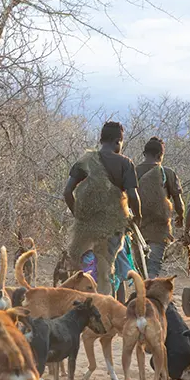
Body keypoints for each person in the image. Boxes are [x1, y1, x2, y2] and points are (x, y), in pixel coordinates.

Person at [63, 121, 142, 296]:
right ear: (118, 141)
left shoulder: (85, 161)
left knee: (86, 271)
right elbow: (133, 196)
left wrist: (79, 216)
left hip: (85, 230)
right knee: (106, 272)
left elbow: (67, 191)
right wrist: (137, 217)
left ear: (101, 139)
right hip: (113, 229)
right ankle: (107, 310)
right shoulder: (125, 163)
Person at [136, 136, 185, 278]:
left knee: (141, 269)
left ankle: (143, 296)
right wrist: (180, 216)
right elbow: (178, 202)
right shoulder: (167, 173)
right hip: (160, 229)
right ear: (160, 155)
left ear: (144, 154)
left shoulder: (133, 171)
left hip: (137, 229)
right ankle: (150, 296)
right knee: (154, 266)